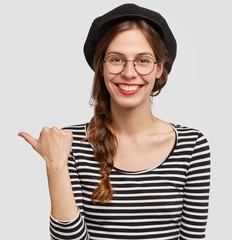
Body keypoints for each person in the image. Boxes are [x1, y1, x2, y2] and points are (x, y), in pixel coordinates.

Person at [19, 3, 210, 240]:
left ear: (159, 68)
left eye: (143, 60)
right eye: (116, 59)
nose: (129, 72)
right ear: (101, 67)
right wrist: (55, 165)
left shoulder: (191, 146)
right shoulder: (68, 144)